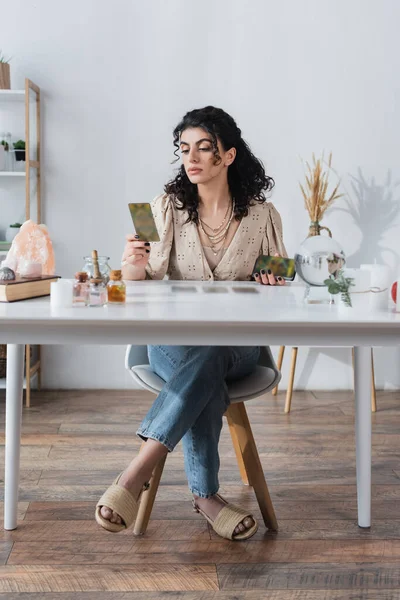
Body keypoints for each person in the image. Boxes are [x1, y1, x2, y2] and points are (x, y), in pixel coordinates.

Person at [95, 106, 287, 541]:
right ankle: (206, 497)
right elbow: (137, 285)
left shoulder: (262, 215)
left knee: (213, 353)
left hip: (238, 347)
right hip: (170, 344)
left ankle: (136, 470)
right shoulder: (160, 209)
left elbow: (284, 274)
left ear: (229, 155)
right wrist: (132, 265)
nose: (192, 158)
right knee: (205, 365)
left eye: (204, 148)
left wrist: (274, 277)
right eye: (184, 149)